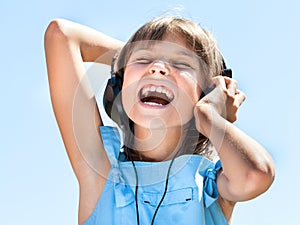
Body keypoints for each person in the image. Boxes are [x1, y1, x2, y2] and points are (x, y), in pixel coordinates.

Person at [44, 16, 275, 225]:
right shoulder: (101, 174)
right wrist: (131, 56)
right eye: (144, 60)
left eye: (182, 63)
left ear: (205, 95)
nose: (157, 69)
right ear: (118, 88)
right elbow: (61, 34)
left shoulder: (211, 187)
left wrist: (210, 117)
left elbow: (256, 174)